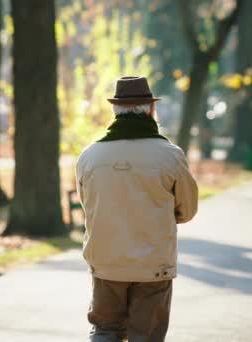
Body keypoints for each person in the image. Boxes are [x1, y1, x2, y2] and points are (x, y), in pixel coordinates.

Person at [76, 76, 199, 342]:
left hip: (106, 262)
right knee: (147, 336)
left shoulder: (90, 156)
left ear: (115, 110)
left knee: (105, 330)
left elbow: (88, 206)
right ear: (150, 109)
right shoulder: (170, 155)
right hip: (153, 264)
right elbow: (187, 210)